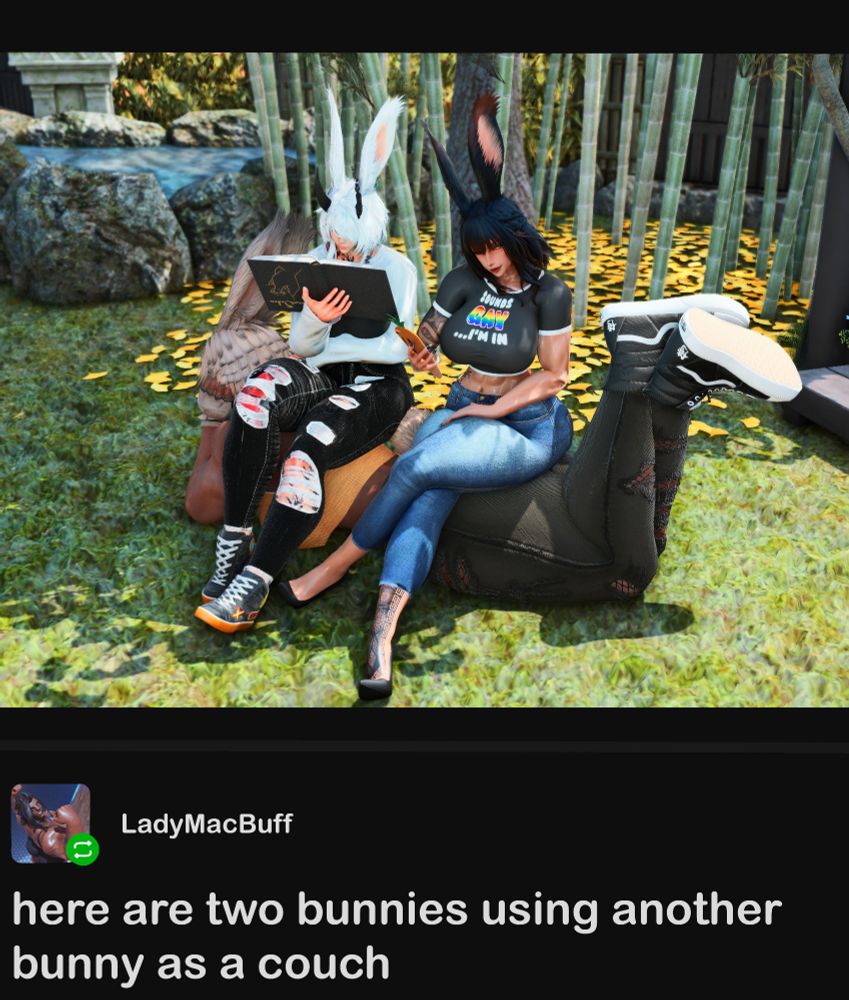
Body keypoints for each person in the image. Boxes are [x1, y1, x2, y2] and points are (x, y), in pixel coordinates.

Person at [280, 94, 575, 697]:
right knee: (429, 494)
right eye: (476, 251)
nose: (486, 260)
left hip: (527, 424)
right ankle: (382, 636)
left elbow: (553, 376)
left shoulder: (550, 294)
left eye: (492, 247)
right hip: (463, 408)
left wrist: (494, 406)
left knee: (416, 466)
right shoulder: (465, 280)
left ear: (514, 234)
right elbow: (431, 338)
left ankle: (332, 571)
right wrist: (422, 352)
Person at [194, 89, 416, 633]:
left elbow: (398, 340)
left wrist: (400, 341)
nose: (343, 255)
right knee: (256, 392)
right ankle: (235, 540)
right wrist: (314, 316)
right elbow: (306, 346)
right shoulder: (316, 260)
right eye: (336, 245)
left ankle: (256, 581)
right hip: (320, 371)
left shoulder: (398, 267)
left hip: (377, 385)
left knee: (309, 446)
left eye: (352, 248)